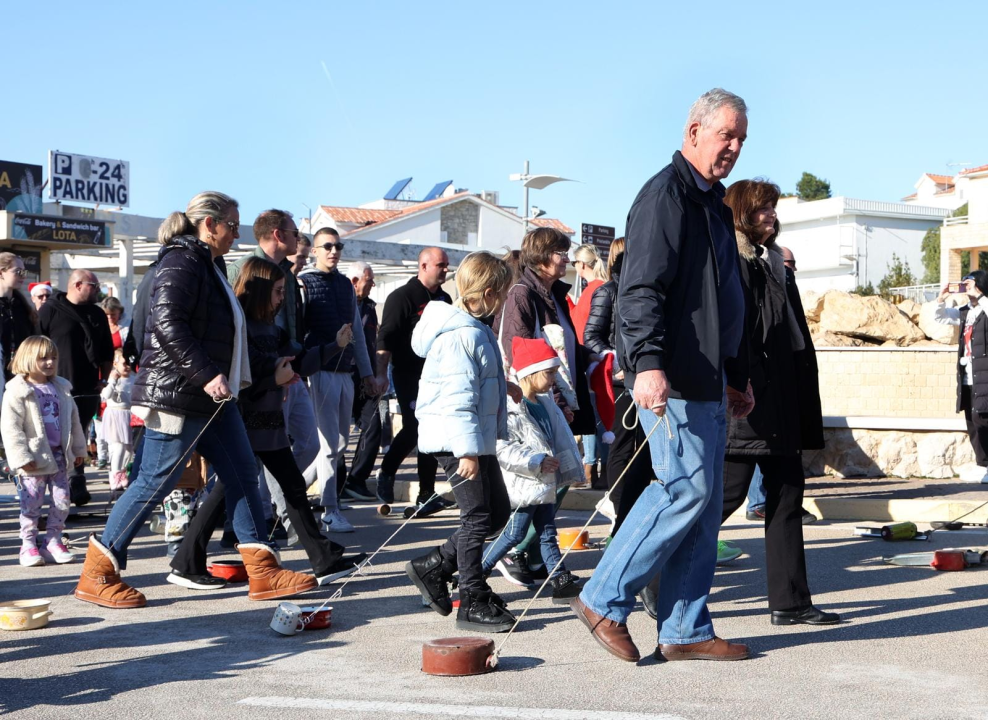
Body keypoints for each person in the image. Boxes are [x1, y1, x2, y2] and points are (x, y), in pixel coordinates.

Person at [570, 88, 754, 664]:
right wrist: (647, 363)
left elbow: (722, 299)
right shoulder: (664, 196)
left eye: (741, 139)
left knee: (702, 503)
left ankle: (685, 629)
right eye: (726, 135)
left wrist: (735, 373)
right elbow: (639, 289)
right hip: (670, 378)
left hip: (708, 378)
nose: (734, 147)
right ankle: (602, 598)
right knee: (683, 488)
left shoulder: (713, 205)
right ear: (694, 131)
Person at [73, 191, 316, 609]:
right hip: (182, 394)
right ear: (209, 224)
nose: (237, 234)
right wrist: (206, 373)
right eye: (232, 225)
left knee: (243, 473)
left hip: (212, 397)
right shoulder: (182, 261)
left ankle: (263, 571)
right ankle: (98, 572)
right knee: (155, 480)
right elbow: (168, 324)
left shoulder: (209, 263)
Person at [167, 257, 366, 590]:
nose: (281, 299)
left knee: (289, 488)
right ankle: (186, 561)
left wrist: (337, 345)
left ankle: (323, 559)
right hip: (244, 423)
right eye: (277, 291)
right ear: (259, 290)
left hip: (269, 424)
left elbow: (300, 361)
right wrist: (275, 378)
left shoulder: (272, 329)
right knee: (234, 491)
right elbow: (240, 381)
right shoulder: (238, 328)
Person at [717, 179, 837, 626]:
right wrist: (742, 384)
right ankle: (654, 573)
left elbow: (791, 337)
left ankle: (790, 603)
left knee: (787, 494)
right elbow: (736, 333)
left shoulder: (772, 262)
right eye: (763, 207)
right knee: (723, 496)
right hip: (747, 399)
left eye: (772, 207)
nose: (771, 213)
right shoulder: (731, 260)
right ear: (742, 212)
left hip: (782, 397)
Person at [404, 251, 516, 633]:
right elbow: (457, 399)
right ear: (488, 294)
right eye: (502, 293)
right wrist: (466, 451)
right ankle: (472, 599)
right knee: (477, 517)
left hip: (471, 437)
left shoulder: (474, 329)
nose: (504, 299)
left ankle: (433, 566)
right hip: (457, 440)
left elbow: (475, 381)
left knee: (497, 512)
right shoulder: (462, 334)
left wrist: (504, 387)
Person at [492, 227, 597, 583]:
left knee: (561, 475)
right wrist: (553, 400)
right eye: (559, 252)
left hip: (556, 397)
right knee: (546, 477)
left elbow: (566, 348)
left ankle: (534, 554)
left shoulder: (553, 295)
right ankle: (514, 550)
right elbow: (520, 353)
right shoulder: (522, 294)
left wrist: (593, 361)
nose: (566, 259)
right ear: (539, 257)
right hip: (534, 401)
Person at [228, 209, 320, 539]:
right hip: (256, 389)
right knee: (249, 465)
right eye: (295, 232)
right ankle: (264, 523)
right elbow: (238, 338)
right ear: (279, 235)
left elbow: (289, 334)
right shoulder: (243, 269)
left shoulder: (288, 275)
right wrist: (270, 378)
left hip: (286, 376)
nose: (299, 238)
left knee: (298, 448)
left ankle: (263, 522)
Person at [482, 336, 583, 604]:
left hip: (544, 481)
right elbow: (502, 448)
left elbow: (556, 438)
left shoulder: (546, 404)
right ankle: (476, 572)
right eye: (549, 372)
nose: (553, 379)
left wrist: (564, 466)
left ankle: (559, 579)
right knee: (514, 534)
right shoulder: (512, 407)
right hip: (525, 484)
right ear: (530, 372)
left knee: (548, 533)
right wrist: (536, 461)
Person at [298, 227, 375, 532]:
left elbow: (357, 332)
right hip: (318, 370)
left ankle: (291, 493)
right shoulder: (304, 283)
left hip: (345, 371)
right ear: (315, 250)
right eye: (327, 246)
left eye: (338, 246)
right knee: (329, 444)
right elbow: (298, 330)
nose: (334, 251)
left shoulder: (344, 285)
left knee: (339, 444)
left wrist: (367, 373)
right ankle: (329, 509)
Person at [374, 247, 454, 514]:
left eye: (446, 265)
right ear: (424, 266)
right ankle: (387, 470)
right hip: (407, 373)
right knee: (415, 427)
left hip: (436, 375)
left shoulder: (444, 299)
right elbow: (385, 338)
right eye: (441, 265)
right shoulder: (402, 297)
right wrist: (380, 374)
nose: (446, 269)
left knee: (430, 431)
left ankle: (426, 494)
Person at [2, 336, 87, 567]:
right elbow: (10, 427)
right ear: (27, 359)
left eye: (53, 357)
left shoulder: (61, 387)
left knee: (62, 501)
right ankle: (28, 544)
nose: (50, 362)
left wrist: (78, 448)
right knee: (31, 504)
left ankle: (52, 541)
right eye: (43, 358)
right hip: (34, 459)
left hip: (59, 455)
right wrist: (21, 457)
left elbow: (74, 420)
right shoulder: (18, 391)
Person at [39, 269, 114, 507]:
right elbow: (35, 346)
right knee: (59, 437)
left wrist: (104, 379)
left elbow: (106, 350)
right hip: (55, 386)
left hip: (87, 387)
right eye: (94, 285)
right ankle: (70, 484)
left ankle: (74, 481)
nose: (98, 290)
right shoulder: (51, 310)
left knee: (79, 434)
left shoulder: (97, 313)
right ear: (78, 285)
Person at [935, 270, 988, 483]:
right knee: (971, 421)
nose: (967, 288)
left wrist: (980, 295)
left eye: (970, 283)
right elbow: (941, 317)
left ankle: (986, 464)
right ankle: (982, 465)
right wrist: (941, 299)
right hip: (967, 375)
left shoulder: (985, 307)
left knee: (982, 418)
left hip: (984, 376)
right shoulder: (966, 311)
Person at [569, 243, 611, 488]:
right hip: (598, 360)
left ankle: (592, 469)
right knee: (599, 417)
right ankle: (597, 470)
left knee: (594, 417)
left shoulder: (593, 290)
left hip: (591, 361)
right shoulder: (599, 288)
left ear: (581, 264)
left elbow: (581, 328)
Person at [342, 260, 382, 501]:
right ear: (355, 281)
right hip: (341, 374)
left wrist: (374, 374)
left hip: (364, 377)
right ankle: (337, 484)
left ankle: (356, 480)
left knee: (373, 425)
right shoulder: (340, 302)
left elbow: (372, 343)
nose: (373, 285)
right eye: (370, 280)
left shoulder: (369, 307)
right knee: (336, 433)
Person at [101, 349, 135, 496]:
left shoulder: (134, 377)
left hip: (129, 415)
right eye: (124, 363)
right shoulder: (112, 378)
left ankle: (122, 472)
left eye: (129, 363)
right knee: (118, 447)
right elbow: (105, 396)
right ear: (115, 364)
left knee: (129, 449)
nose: (127, 366)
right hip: (116, 415)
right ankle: (114, 474)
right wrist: (113, 381)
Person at [0, 253, 40, 382]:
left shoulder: (22, 307)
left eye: (24, 272)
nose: (23, 276)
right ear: (1, 273)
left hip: (21, 377)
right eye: (18, 271)